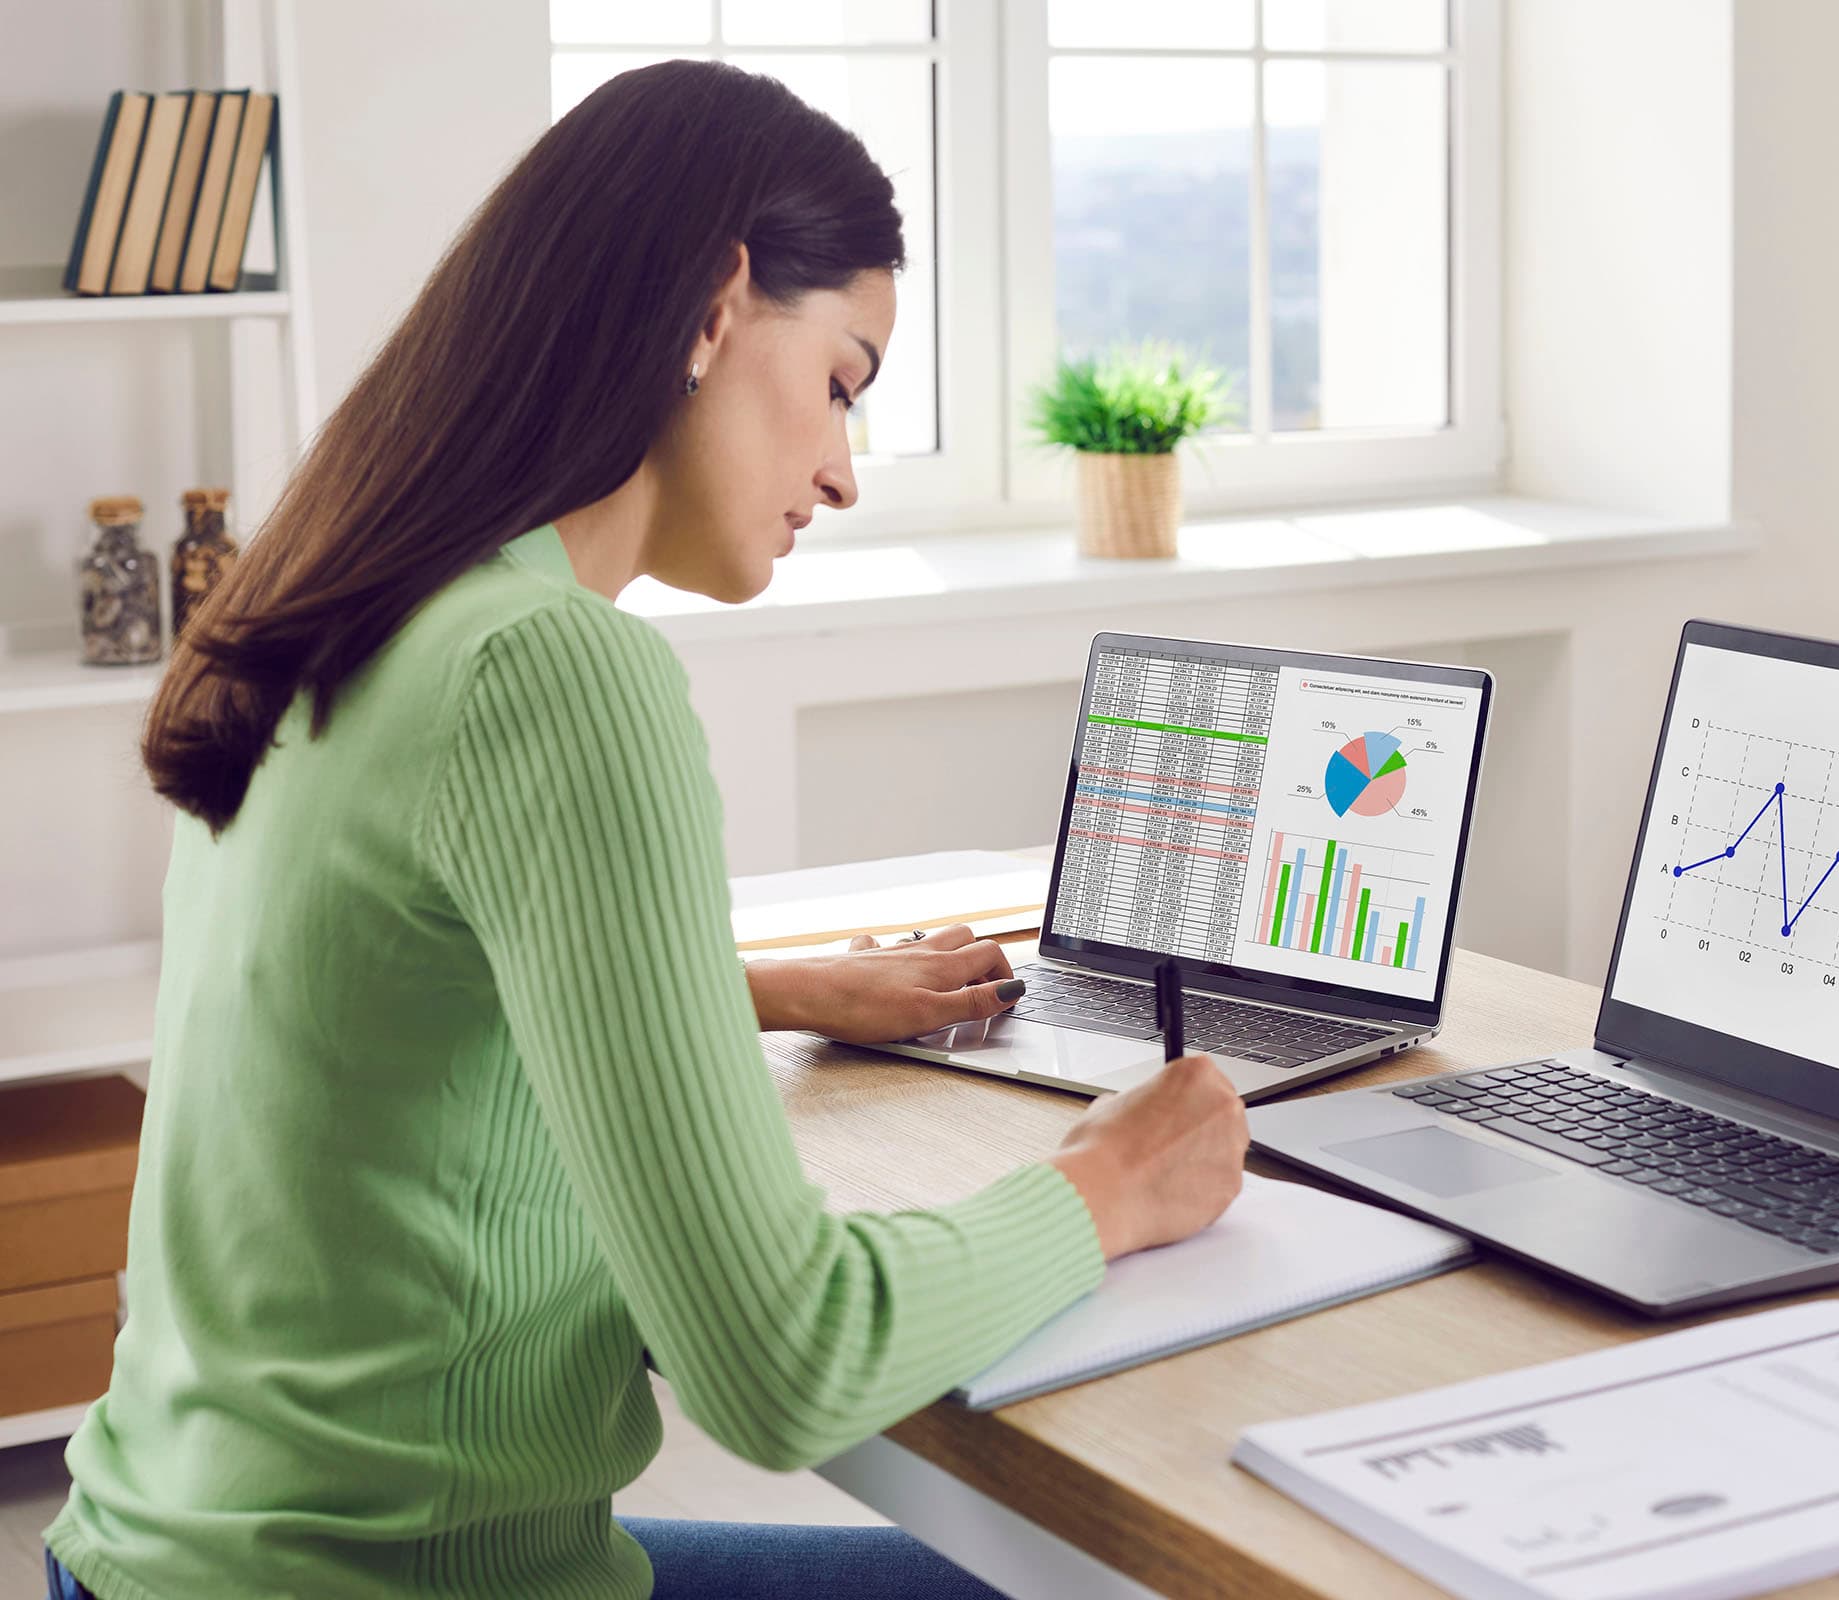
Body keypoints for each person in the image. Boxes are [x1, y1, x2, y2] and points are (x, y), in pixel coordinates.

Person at [41, 59, 1249, 1600]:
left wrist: (764, 988)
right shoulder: (555, 674)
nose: (844, 470)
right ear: (711, 307)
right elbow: (779, 1363)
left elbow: (385, 986)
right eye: (842, 383)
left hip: (155, 1555)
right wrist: (1108, 1186)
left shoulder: (359, 600)